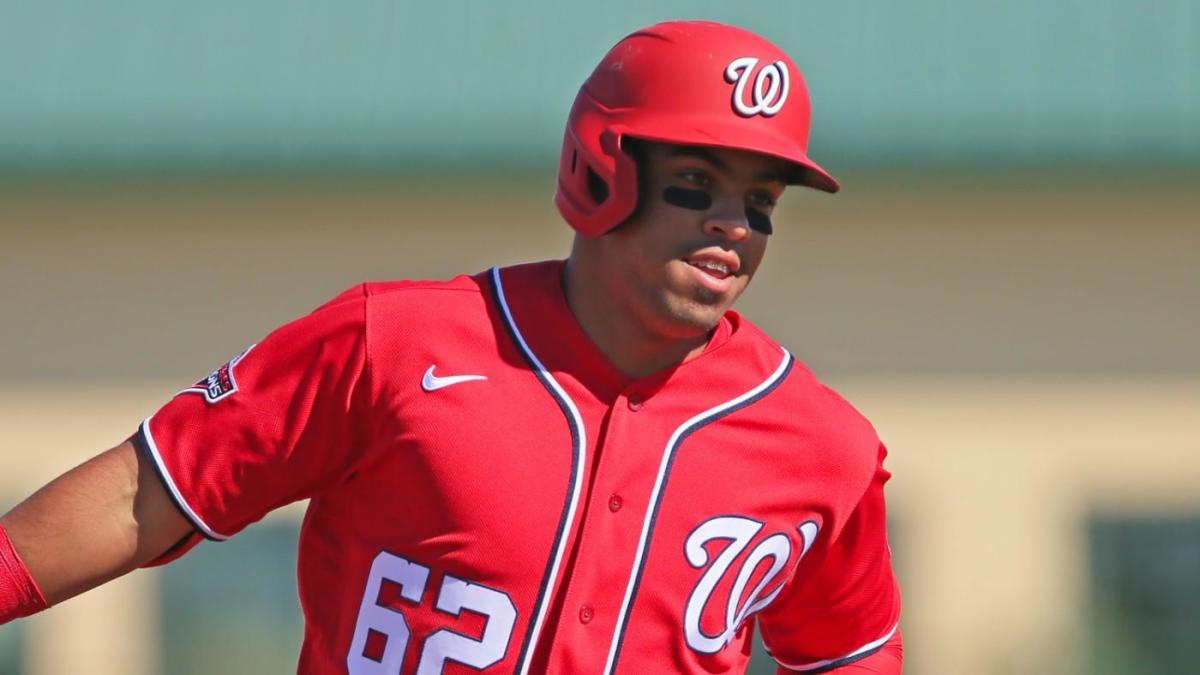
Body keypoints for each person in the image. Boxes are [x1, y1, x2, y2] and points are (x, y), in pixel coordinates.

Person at [0, 20, 902, 674]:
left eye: (760, 204)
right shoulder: (394, 343)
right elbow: (144, 494)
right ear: (601, 167)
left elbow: (850, 653)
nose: (730, 225)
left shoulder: (820, 445)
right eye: (696, 183)